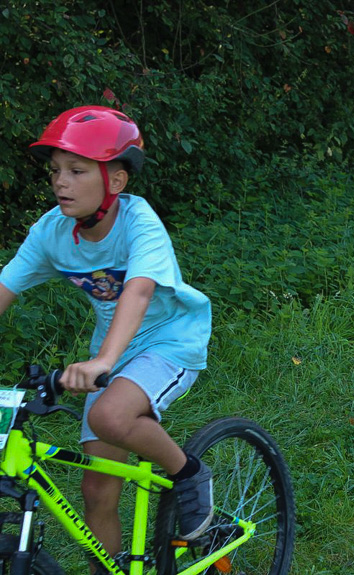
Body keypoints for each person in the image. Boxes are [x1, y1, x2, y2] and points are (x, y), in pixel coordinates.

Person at [0, 106, 214, 566]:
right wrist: (107, 360)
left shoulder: (139, 223)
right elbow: (3, 287)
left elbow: (137, 291)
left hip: (169, 341)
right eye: (56, 170)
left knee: (112, 418)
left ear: (115, 182)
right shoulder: (51, 233)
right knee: (97, 487)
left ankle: (189, 474)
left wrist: (102, 362)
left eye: (77, 170)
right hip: (115, 349)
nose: (61, 181)